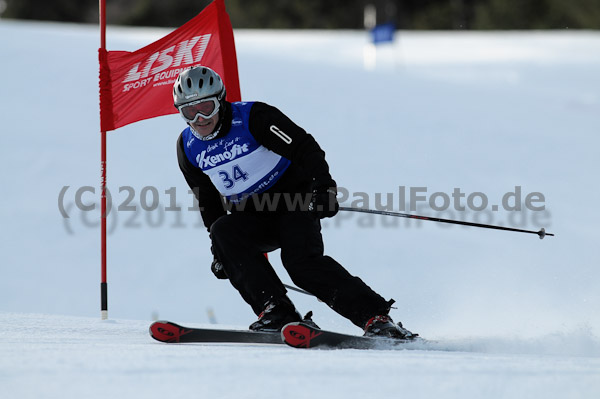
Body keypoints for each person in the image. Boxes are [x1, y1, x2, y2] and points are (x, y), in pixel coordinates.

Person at [174, 66, 417, 339]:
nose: (200, 118)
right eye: (189, 111)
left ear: (221, 100)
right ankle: (276, 311)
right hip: (253, 215)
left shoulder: (254, 117)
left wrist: (324, 188)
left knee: (300, 265)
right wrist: (219, 249)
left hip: (293, 202)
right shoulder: (188, 147)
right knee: (223, 231)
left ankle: (375, 317)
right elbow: (207, 199)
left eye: (206, 107)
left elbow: (304, 147)